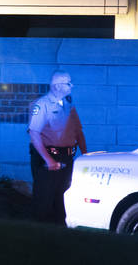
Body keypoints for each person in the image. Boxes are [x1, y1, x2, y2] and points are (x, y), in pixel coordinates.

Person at [27, 70, 87, 224]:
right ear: (57, 86)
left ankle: (59, 234)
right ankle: (39, 236)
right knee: (44, 200)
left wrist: (86, 154)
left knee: (63, 199)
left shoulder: (68, 104)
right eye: (68, 83)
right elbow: (34, 134)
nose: (71, 86)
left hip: (67, 157)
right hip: (48, 158)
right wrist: (49, 161)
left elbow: (78, 131)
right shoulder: (42, 105)